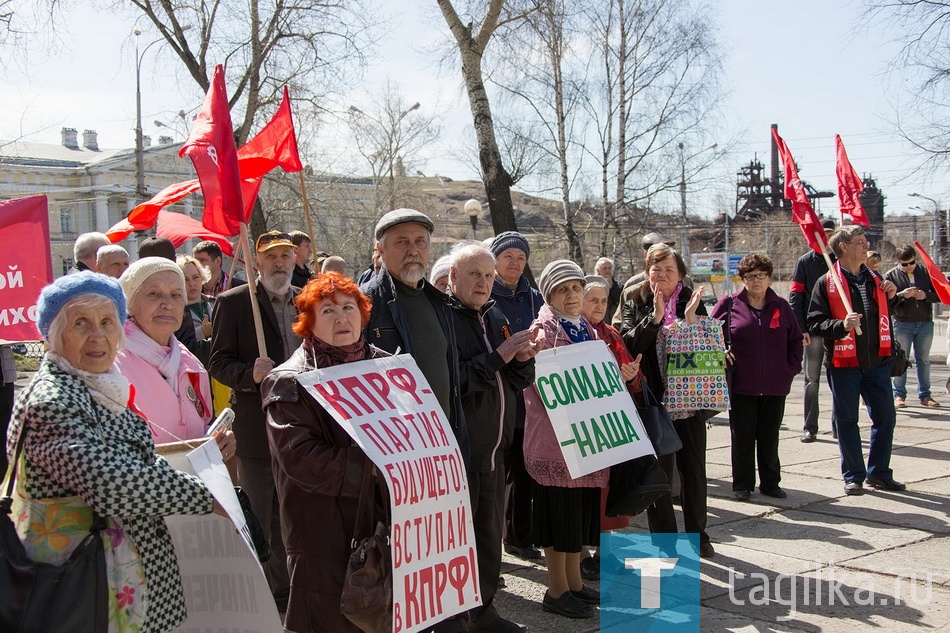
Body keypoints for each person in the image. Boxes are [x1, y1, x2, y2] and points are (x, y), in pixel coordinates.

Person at [7, 271, 224, 631]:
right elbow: (111, 483)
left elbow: (135, 459)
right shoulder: (52, 400)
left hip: (123, 586)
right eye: (81, 323)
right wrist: (208, 496)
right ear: (52, 335)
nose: (98, 336)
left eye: (107, 322)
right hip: (80, 591)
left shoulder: (98, 386)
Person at [261, 273, 388, 633]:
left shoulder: (386, 366)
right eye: (327, 310)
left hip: (381, 519)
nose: (341, 318)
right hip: (322, 527)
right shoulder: (288, 381)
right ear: (308, 322)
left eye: (349, 308)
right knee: (328, 617)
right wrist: (376, 466)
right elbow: (301, 458)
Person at [523, 260, 621, 619]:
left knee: (577, 518)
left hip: (583, 441)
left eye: (576, 288)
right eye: (563, 289)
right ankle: (556, 590)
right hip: (554, 443)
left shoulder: (586, 330)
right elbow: (537, 381)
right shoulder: (542, 330)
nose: (572, 295)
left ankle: (575, 583)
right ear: (550, 294)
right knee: (558, 517)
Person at [448, 244, 539, 633]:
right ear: (453, 278)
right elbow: (455, 381)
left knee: (488, 534)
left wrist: (521, 360)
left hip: (496, 447)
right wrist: (498, 357)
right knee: (463, 536)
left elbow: (517, 381)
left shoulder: (494, 314)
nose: (484, 283)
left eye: (488, 275)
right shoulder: (446, 320)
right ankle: (459, 614)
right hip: (464, 449)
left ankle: (484, 611)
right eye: (474, 275)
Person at [209, 230, 301, 609]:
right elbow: (217, 363)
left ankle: (290, 588)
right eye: (272, 256)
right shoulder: (234, 303)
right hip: (257, 428)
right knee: (261, 514)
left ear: (295, 259)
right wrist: (251, 374)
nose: (279, 263)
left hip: (302, 426)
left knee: (294, 513)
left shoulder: (307, 301)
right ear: (257, 262)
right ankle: (260, 593)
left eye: (286, 255)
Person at [620, 243, 715, 558]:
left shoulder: (693, 301)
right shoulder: (635, 299)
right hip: (654, 400)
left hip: (689, 401)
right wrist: (655, 320)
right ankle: (664, 540)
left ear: (681, 276)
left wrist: (691, 322)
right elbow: (628, 344)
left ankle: (697, 534)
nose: (660, 275)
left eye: (668, 270)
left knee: (694, 470)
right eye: (655, 269)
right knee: (658, 473)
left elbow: (707, 349)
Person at [361, 209, 468, 462]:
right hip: (394, 448)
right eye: (402, 242)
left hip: (443, 443)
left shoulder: (442, 303)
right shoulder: (363, 304)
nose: (413, 250)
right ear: (380, 250)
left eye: (420, 241)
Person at [807, 225, 904, 495]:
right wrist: (841, 326)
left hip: (877, 362)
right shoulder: (827, 282)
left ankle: (879, 473)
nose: (866, 246)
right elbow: (815, 323)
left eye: (865, 241)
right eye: (860, 242)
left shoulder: (875, 278)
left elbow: (882, 315)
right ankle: (854, 475)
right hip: (843, 365)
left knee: (886, 418)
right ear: (844, 247)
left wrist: (893, 297)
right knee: (847, 420)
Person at [112, 257, 235, 460]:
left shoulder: (192, 365)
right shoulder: (112, 366)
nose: (168, 304)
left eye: (177, 295)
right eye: (154, 293)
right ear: (129, 303)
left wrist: (220, 443)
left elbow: (203, 430)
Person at [712, 253, 802, 501]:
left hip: (775, 385)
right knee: (741, 438)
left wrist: (790, 369)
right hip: (741, 385)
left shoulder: (782, 306)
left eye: (761, 276)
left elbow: (795, 341)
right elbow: (709, 336)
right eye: (750, 277)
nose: (756, 281)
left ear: (770, 278)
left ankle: (771, 483)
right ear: (742, 279)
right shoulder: (729, 304)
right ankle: (742, 484)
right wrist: (721, 353)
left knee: (769, 437)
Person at [580, 274, 643, 579]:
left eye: (604, 300)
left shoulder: (612, 333)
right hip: (582, 427)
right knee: (582, 495)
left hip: (611, 427)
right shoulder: (573, 333)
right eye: (593, 300)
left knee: (608, 495)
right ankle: (579, 555)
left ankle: (604, 554)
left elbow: (634, 381)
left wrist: (631, 375)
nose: (599, 306)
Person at [488, 230, 544, 561]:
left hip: (532, 396)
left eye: (521, 258)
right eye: (509, 256)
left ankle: (520, 536)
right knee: (500, 473)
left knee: (525, 472)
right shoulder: (486, 294)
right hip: (499, 393)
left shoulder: (534, 297)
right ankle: (497, 539)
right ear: (494, 260)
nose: (515, 263)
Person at [790, 217, 837, 443]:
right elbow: (795, 296)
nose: (826, 238)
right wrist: (801, 328)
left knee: (840, 380)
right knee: (812, 380)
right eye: (822, 233)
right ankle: (810, 426)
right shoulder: (804, 262)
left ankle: (839, 426)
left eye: (830, 233)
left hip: (839, 330)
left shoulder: (842, 260)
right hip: (814, 329)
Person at [885, 244, 941, 408]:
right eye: (904, 264)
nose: (909, 266)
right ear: (898, 262)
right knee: (900, 359)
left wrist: (926, 296)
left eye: (911, 262)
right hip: (902, 323)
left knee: (923, 360)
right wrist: (902, 295)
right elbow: (886, 302)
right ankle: (899, 395)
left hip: (924, 322)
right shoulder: (891, 275)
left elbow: (940, 294)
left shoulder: (925, 272)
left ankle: (925, 395)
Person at [193, 240, 244, 309]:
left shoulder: (240, 288)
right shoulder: (192, 289)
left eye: (202, 260)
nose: (197, 265)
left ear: (217, 261)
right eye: (195, 261)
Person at [178, 255, 213, 345]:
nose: (192, 284)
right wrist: (202, 332)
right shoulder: (177, 311)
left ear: (202, 277)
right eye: (185, 280)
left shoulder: (215, 303)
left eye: (196, 277)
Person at [594, 257, 623, 323]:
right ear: (598, 270)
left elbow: (619, 301)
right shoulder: (592, 286)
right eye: (604, 268)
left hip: (615, 322)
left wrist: (611, 287)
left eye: (609, 268)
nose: (607, 270)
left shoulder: (619, 286)